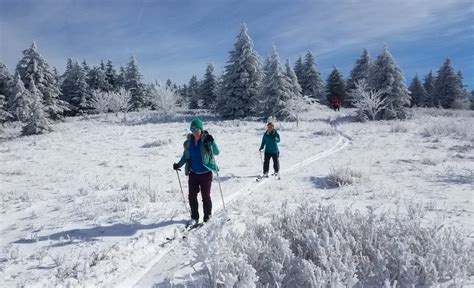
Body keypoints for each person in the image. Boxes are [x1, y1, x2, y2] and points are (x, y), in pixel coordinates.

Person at [173, 119, 219, 225]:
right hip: (193, 173)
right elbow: (185, 156)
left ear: (200, 129)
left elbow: (216, 152)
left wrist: (212, 142)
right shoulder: (189, 142)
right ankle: (194, 217)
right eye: (191, 129)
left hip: (206, 174)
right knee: (192, 196)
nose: (193, 131)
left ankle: (207, 216)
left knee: (205, 196)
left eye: (195, 129)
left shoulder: (206, 140)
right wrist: (178, 165)